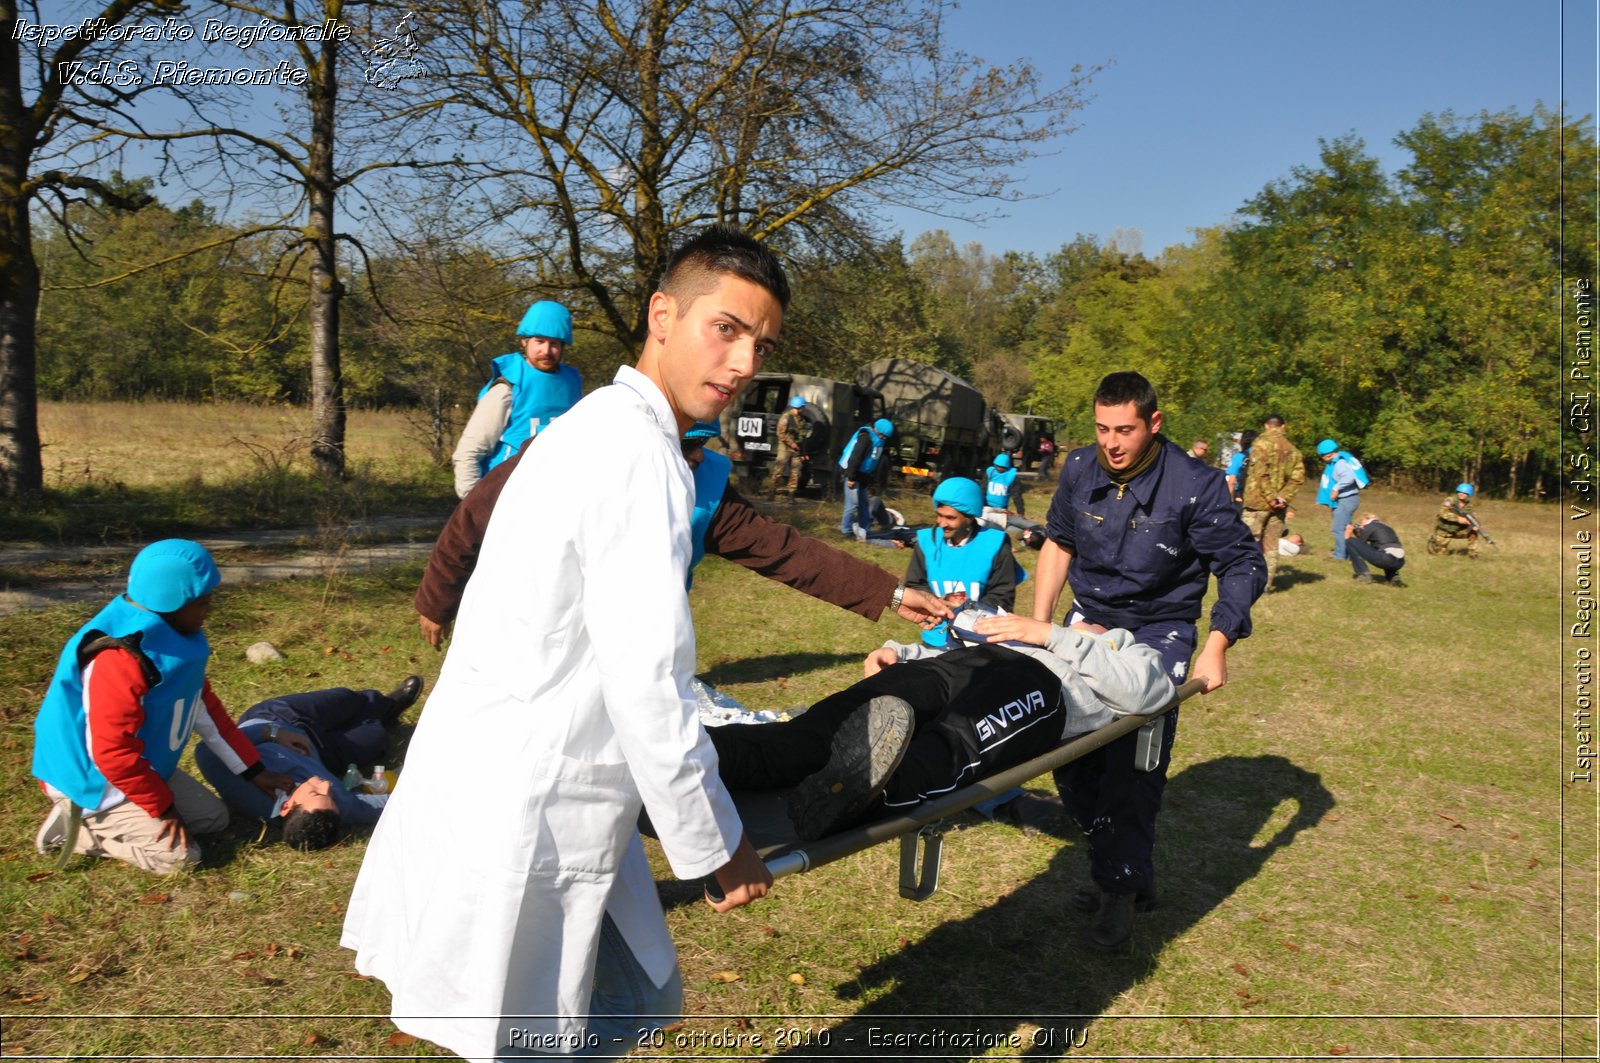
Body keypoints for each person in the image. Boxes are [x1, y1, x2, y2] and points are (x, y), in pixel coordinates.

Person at [344, 226, 833, 1061]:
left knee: (609, 1002)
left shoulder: (589, 424)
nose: (748, 362)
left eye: (764, 343)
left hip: (504, 771)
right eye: (728, 329)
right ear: (663, 314)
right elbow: (651, 685)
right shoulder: (634, 455)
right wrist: (720, 845)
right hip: (536, 795)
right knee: (539, 1027)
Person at [1030, 371, 1264, 951]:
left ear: (1154, 423)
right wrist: (1042, 627)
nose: (1112, 443)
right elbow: (1059, 542)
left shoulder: (1195, 484)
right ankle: (1126, 870)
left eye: (1125, 430)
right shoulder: (1082, 468)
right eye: (1102, 428)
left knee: (1131, 770)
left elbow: (1243, 565)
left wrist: (1218, 643)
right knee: (1071, 756)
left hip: (1159, 632)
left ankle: (1119, 891)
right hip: (1087, 623)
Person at [414, 427, 952, 651]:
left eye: (699, 450)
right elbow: (475, 516)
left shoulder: (709, 492)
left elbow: (788, 551)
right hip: (534, 637)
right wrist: (438, 601)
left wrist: (893, 593)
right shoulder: (574, 447)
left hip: (631, 649)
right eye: (681, 447)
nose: (692, 462)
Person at [710, 610, 1174, 841]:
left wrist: (1056, 637)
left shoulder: (1128, 648)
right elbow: (955, 647)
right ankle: (708, 753)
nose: (1084, 618)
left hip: (1044, 687)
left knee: (944, 749)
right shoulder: (1033, 625)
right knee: (821, 729)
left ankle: (852, 799)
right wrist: (902, 654)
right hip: (967, 663)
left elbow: (1148, 694)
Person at [31, 540, 295, 874]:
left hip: (140, 766)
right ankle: (78, 828)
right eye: (202, 602)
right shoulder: (118, 659)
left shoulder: (173, 637)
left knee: (213, 819)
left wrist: (255, 772)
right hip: (92, 782)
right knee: (179, 858)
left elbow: (208, 713)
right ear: (172, 603)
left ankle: (122, 817)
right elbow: (111, 751)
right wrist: (163, 808)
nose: (209, 609)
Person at [194, 677, 424, 850]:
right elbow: (385, 806)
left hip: (277, 718)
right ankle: (383, 716)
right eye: (330, 797)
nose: (326, 786)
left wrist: (271, 733)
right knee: (376, 737)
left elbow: (205, 750)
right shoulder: (329, 806)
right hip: (321, 753)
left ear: (286, 806)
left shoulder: (241, 786)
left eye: (315, 793)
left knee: (344, 699)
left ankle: (385, 703)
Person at [451, 300, 582, 498]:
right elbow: (469, 451)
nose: (546, 351)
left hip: (554, 495)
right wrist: (473, 504)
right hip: (504, 495)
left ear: (563, 345)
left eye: (554, 343)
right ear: (524, 341)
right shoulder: (508, 385)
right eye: (539, 341)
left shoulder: (571, 383)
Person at [905, 477, 1018, 650]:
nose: (942, 523)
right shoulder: (927, 541)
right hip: (935, 639)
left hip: (979, 640)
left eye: (950, 518)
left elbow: (1003, 595)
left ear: (969, 517)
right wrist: (937, 603)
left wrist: (967, 610)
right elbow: (914, 584)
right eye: (939, 515)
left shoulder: (994, 543)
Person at [1239, 415, 1305, 593]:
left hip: (1256, 504)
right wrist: (1282, 498)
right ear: (1283, 426)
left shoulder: (1260, 445)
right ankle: (1266, 585)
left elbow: (1261, 473)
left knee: (1247, 542)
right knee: (1271, 546)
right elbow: (1297, 479)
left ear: (1266, 426)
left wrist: (1271, 497)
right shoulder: (1293, 450)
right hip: (1279, 508)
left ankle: (1245, 582)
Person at [838, 416, 895, 537]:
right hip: (852, 472)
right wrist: (851, 478)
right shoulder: (865, 438)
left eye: (885, 437)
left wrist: (871, 481)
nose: (883, 438)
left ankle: (865, 530)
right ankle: (846, 531)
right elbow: (855, 458)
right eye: (882, 435)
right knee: (852, 504)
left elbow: (873, 461)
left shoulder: (879, 441)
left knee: (863, 503)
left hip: (863, 475)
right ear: (876, 430)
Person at [1316, 438, 1369, 561]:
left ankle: (1340, 555)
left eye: (1322, 456)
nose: (1322, 459)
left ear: (1328, 454)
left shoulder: (1339, 464)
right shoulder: (1339, 461)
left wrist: (1336, 489)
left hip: (1346, 500)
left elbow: (1348, 477)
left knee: (1338, 528)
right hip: (1346, 500)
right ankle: (1349, 553)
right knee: (1345, 528)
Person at [1346, 513, 1406, 586]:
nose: (1361, 527)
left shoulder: (1369, 526)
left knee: (1350, 541)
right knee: (1385, 551)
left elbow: (1359, 544)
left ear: (1366, 519)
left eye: (1361, 523)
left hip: (1386, 559)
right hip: (1400, 562)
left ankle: (1364, 575)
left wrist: (1348, 533)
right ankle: (1394, 578)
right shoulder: (1386, 527)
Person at [767, 394, 808, 499]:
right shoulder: (786, 417)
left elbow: (802, 437)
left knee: (795, 472)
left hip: (796, 451)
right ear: (798, 407)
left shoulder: (802, 420)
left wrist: (804, 452)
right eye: (803, 407)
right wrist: (792, 443)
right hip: (785, 449)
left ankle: (791, 494)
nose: (804, 409)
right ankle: (771, 492)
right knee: (778, 471)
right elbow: (781, 433)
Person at [1428, 483, 1482, 558]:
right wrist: (1458, 519)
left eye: (1465, 493)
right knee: (1439, 554)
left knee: (1473, 532)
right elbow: (1443, 513)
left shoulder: (1469, 506)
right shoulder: (1449, 501)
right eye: (1460, 492)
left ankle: (1473, 554)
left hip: (1458, 530)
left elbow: (1473, 517)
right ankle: (1435, 542)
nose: (1462, 494)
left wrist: (1474, 525)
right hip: (1445, 531)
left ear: (1468, 495)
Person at [1224, 429, 1256, 509]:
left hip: (1241, 498)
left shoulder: (1238, 457)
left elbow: (1231, 481)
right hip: (1258, 500)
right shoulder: (1262, 457)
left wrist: (1224, 501)